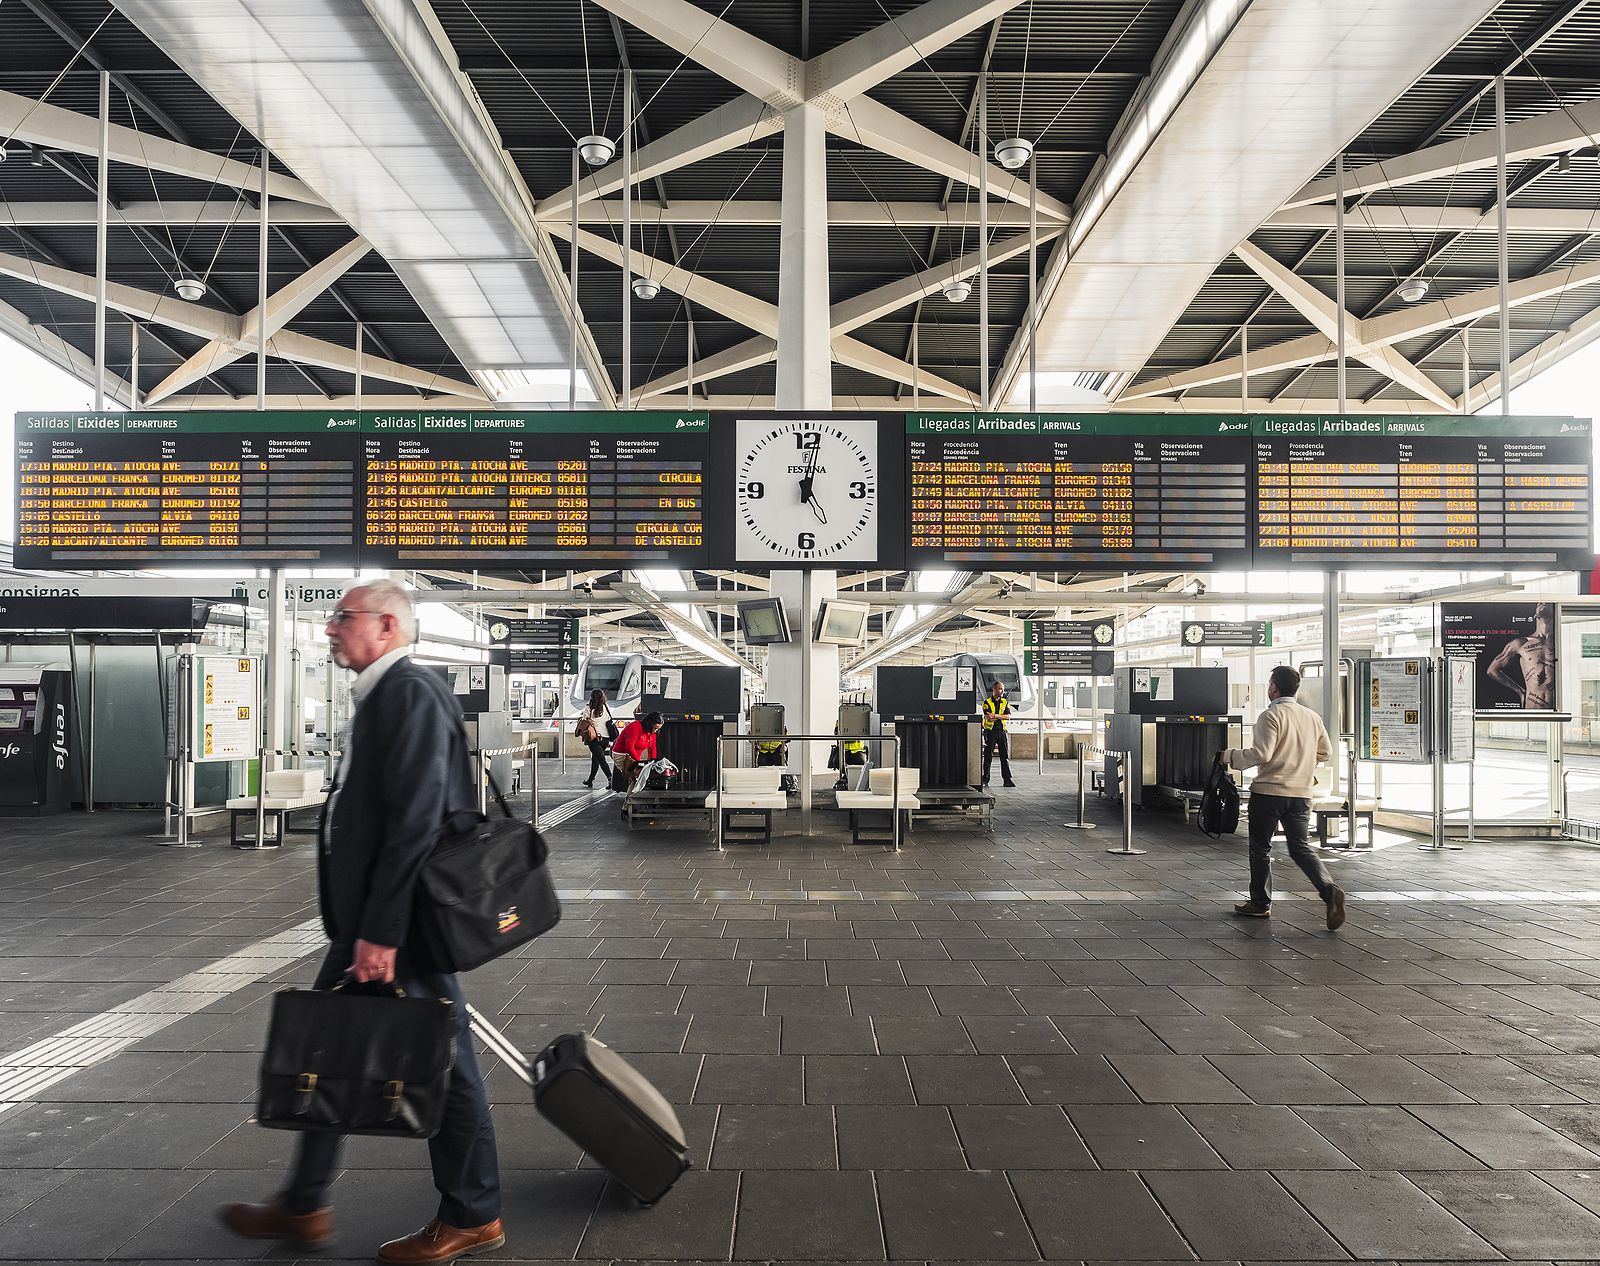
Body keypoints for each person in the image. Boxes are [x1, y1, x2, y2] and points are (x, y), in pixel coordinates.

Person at [219, 581, 504, 1264]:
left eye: (340, 619)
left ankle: (474, 1213)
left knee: (448, 1064)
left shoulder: (405, 691)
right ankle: (304, 1203)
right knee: (328, 1043)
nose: (328, 630)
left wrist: (380, 931)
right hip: (376, 922)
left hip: (397, 925)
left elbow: (413, 822)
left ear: (385, 626)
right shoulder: (387, 690)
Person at [1223, 664, 1346, 931]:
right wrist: (1300, 764)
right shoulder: (1311, 717)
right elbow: (1326, 753)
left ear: (1273, 687)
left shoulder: (1271, 715)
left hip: (1269, 792)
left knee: (1260, 847)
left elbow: (1262, 754)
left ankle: (1260, 903)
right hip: (1301, 794)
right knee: (1300, 847)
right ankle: (1328, 889)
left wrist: (1230, 755)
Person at [1487, 601, 1557, 710]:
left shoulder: (1558, 643)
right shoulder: (1521, 643)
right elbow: (1492, 670)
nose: (1544, 604)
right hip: (1532, 708)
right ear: (1535, 613)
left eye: (1547, 603)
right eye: (1540, 603)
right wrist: (1519, 691)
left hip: (1556, 710)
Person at [612, 709, 664, 793]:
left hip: (635, 755)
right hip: (622, 754)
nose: (655, 731)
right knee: (634, 778)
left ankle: (632, 797)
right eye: (654, 728)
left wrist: (653, 761)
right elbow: (629, 747)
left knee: (638, 777)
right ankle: (630, 800)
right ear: (649, 724)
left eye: (658, 729)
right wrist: (638, 761)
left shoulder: (652, 732)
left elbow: (652, 746)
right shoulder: (635, 727)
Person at [981, 679, 1016, 788]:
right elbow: (988, 717)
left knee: (1004, 757)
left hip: (1002, 732)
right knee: (988, 757)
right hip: (990, 732)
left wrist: (995, 715)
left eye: (1003, 689)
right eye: (1000, 689)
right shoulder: (986, 702)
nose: (1002, 691)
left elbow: (1008, 716)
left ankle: (1007, 780)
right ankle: (985, 779)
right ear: (994, 689)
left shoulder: (1005, 702)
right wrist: (1000, 716)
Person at [579, 687, 616, 788]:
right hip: (605, 738)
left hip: (594, 738)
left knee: (601, 759)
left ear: (591, 697)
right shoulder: (606, 707)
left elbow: (584, 720)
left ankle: (611, 779)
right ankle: (590, 780)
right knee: (596, 759)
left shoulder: (588, 709)